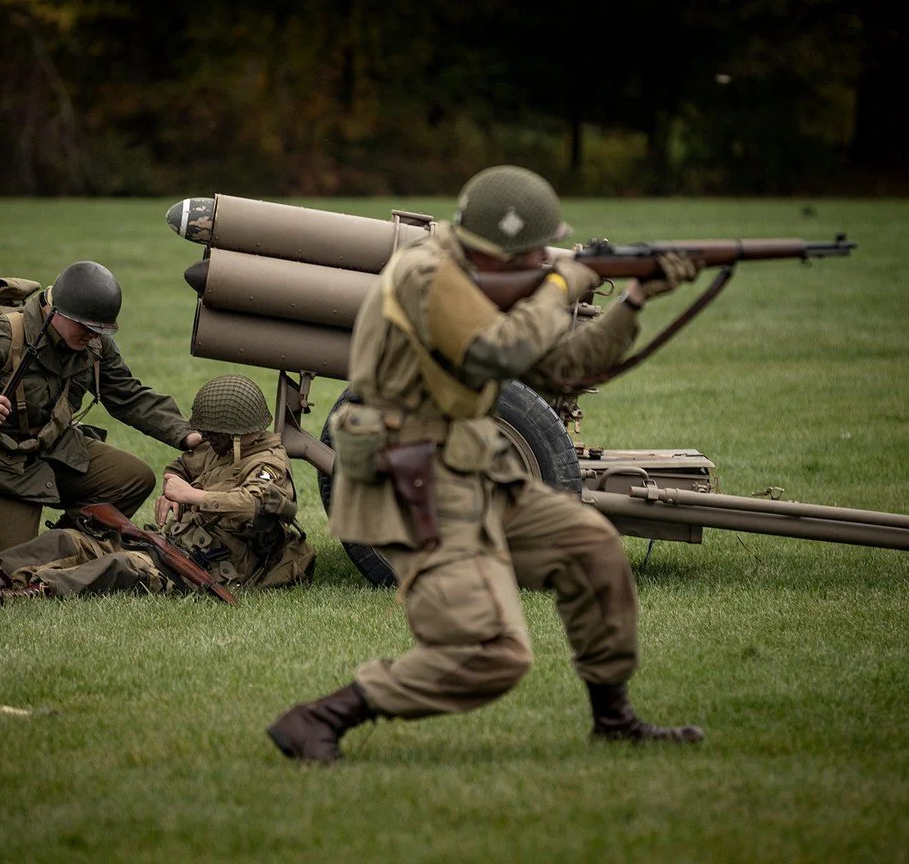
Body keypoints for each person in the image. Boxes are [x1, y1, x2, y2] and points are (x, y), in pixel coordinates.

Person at [266, 165, 705, 762]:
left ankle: (615, 719)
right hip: (412, 478)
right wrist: (563, 285)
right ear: (504, 249)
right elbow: (502, 351)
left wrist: (631, 300)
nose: (542, 264)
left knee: (591, 547)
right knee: (494, 653)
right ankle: (321, 718)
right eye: (532, 255)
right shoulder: (426, 274)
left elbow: (563, 369)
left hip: (473, 467)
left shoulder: (477, 277)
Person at [0, 261, 199, 577]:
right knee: (3, 572)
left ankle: (67, 547)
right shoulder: (3, 337)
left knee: (134, 478)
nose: (92, 336)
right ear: (55, 312)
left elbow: (128, 396)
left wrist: (186, 434)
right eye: (86, 327)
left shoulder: (94, 342)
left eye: (100, 330)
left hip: (51, 450)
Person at [0, 374, 315, 603]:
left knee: (120, 566)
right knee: (69, 540)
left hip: (204, 566)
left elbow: (259, 506)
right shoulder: (220, 450)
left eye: (213, 434)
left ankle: (27, 592)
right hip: (168, 545)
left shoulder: (267, 463)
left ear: (236, 433)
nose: (206, 439)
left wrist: (192, 497)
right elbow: (182, 464)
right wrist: (171, 488)